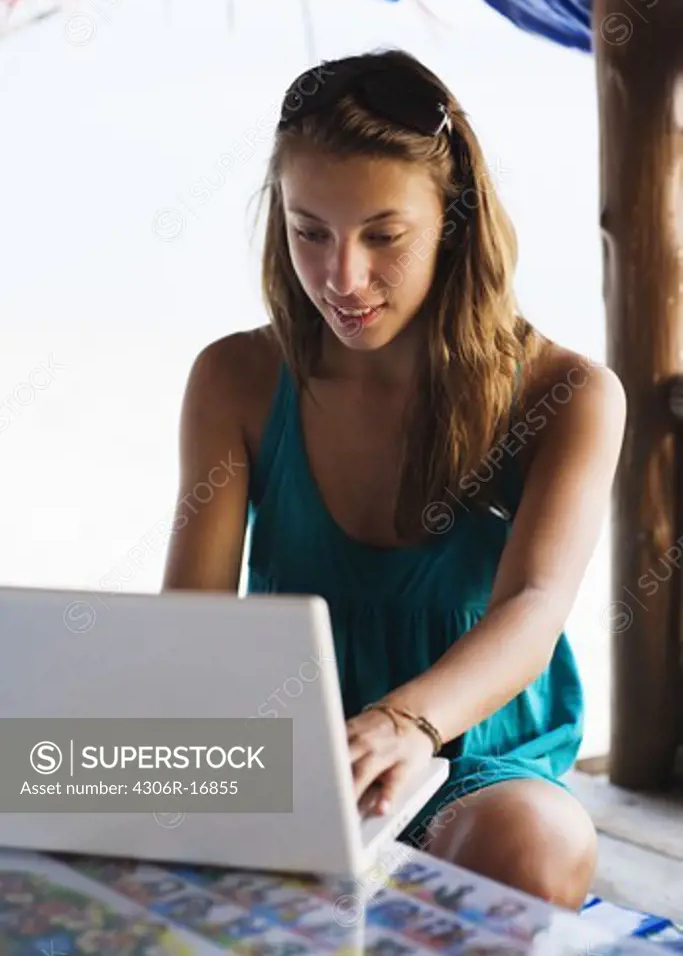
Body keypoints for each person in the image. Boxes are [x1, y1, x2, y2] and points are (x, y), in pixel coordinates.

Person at [163, 48, 626, 910]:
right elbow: (192, 620)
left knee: (535, 845)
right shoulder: (232, 377)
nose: (342, 279)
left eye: (383, 236)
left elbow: (532, 608)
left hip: (469, 760)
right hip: (280, 756)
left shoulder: (567, 396)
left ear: (451, 220)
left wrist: (403, 723)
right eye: (310, 232)